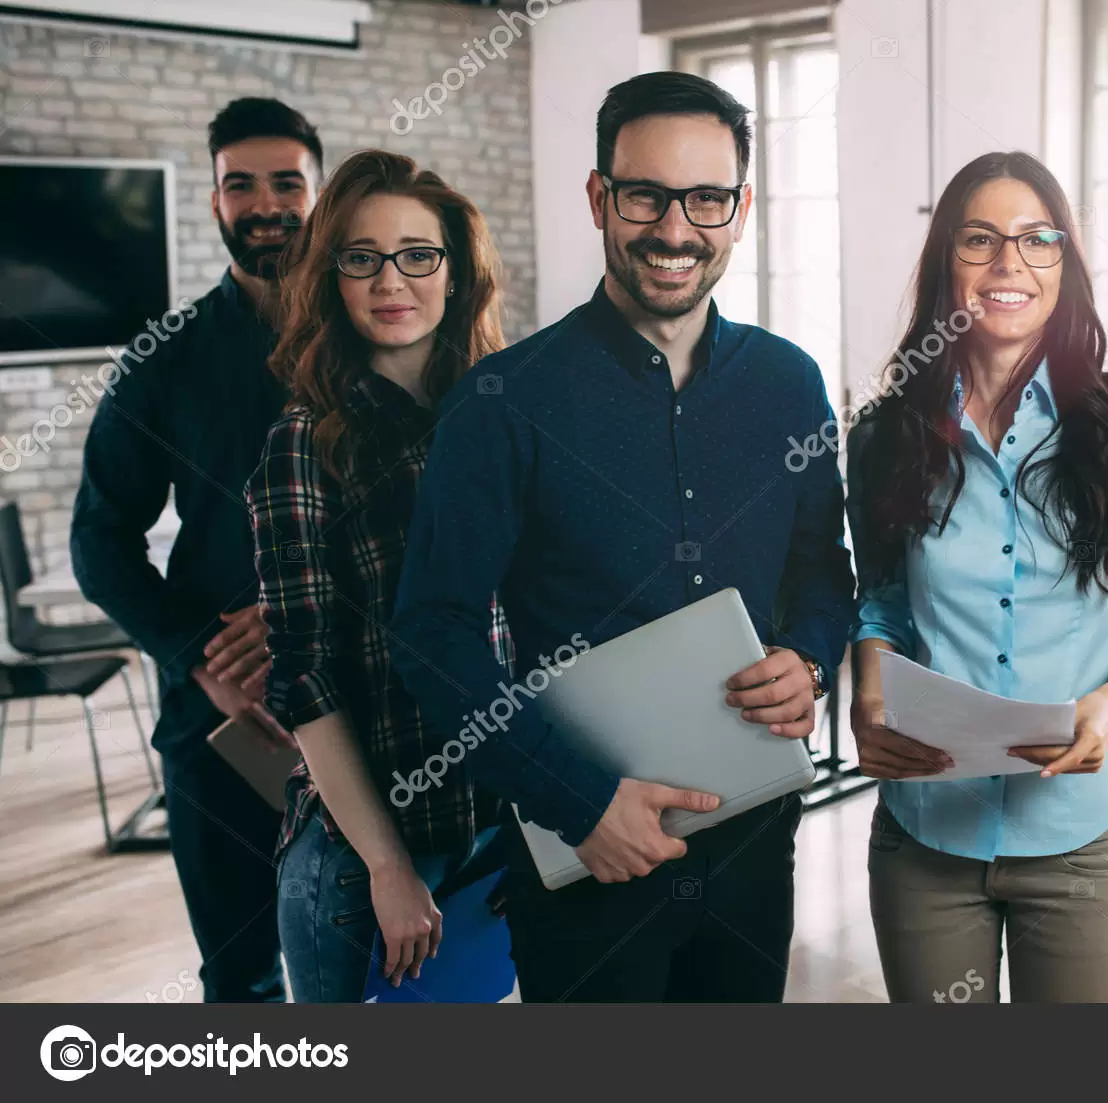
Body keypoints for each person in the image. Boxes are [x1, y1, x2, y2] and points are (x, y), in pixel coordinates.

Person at [387, 71, 855, 1003]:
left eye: (706, 199)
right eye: (645, 194)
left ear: (741, 208)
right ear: (600, 196)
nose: (676, 229)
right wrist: (579, 801)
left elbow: (824, 572)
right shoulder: (502, 404)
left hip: (755, 842)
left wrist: (808, 656)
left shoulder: (790, 384)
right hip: (586, 858)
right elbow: (432, 636)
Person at [844, 151, 1108, 1004]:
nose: (1010, 264)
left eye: (1038, 240)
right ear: (945, 265)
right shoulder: (886, 432)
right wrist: (866, 695)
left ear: (1065, 265)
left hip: (1079, 837)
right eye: (981, 240)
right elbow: (882, 602)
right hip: (927, 831)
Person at [71, 97, 321, 1003]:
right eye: (240, 184)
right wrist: (199, 657)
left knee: (390, 961)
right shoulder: (163, 359)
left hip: (378, 706)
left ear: (320, 194)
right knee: (244, 976)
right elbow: (99, 541)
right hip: (228, 726)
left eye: (286, 181)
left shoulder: (382, 331)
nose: (265, 204)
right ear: (213, 203)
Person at [245, 150, 509, 1002]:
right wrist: (389, 868)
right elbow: (304, 677)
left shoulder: (499, 415)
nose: (391, 280)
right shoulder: (303, 441)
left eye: (417, 254)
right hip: (369, 862)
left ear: (455, 271)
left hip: (500, 824)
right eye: (362, 257)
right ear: (332, 276)